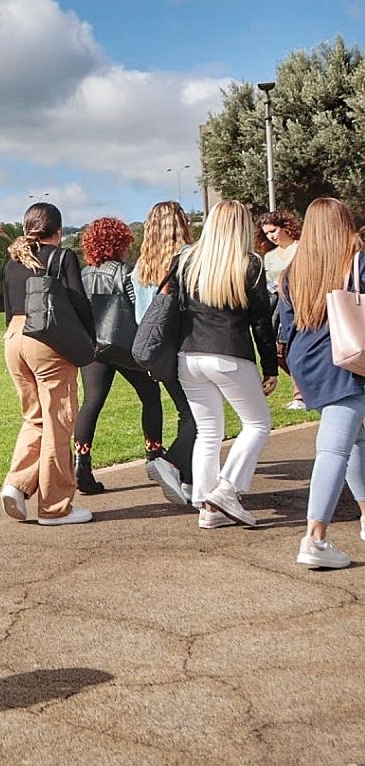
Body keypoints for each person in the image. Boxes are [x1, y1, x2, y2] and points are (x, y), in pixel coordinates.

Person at [170, 200, 278, 529]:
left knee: (208, 432)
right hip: (229, 353)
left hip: (189, 356)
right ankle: (227, 489)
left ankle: (208, 507)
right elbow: (261, 323)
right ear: (243, 227)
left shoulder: (185, 261)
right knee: (257, 425)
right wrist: (270, 367)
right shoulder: (250, 265)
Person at [276, 198, 365, 568]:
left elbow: (284, 325)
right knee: (334, 449)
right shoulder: (358, 263)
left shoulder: (294, 270)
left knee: (356, 438)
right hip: (349, 360)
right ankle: (315, 538)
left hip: (310, 362)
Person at [0, 203, 96, 526]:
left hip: (14, 338)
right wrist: (87, 341)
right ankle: (55, 507)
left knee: (34, 417)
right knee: (58, 421)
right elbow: (79, 301)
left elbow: (7, 307)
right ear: (58, 230)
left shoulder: (12, 259)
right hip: (48, 338)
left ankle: (17, 484)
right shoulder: (62, 256)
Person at [72, 217, 167, 494]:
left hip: (94, 347)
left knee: (91, 403)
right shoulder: (126, 271)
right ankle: (154, 455)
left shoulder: (83, 273)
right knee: (150, 396)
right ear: (121, 242)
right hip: (125, 345)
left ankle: (82, 462)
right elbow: (139, 310)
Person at [133, 201, 198, 507]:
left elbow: (140, 317)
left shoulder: (141, 266)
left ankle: (188, 480)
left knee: (187, 413)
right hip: (185, 345)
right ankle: (171, 464)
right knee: (197, 416)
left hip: (157, 351)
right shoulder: (188, 257)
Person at [260, 210, 307, 411]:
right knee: (280, 350)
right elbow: (268, 281)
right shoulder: (269, 257)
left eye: (274, 230)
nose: (272, 236)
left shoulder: (300, 248)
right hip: (279, 306)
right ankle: (306, 385)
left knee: (295, 346)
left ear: (285, 226)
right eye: (267, 233)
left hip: (300, 303)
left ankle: (301, 395)